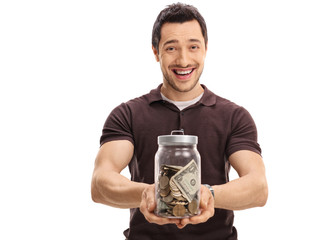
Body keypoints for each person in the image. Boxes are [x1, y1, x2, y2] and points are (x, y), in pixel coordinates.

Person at [91, 3, 268, 240]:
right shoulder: (128, 114)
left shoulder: (234, 116)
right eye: (171, 48)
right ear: (156, 52)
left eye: (193, 46)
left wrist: (207, 195)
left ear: (205, 48)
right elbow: (101, 183)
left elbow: (258, 187)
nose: (183, 60)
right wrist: (149, 193)